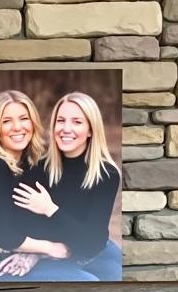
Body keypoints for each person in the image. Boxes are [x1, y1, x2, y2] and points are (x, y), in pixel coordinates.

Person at [14, 91, 122, 281]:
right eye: (61, 120)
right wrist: (37, 251)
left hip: (95, 252)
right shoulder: (37, 169)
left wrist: (49, 209)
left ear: (91, 129)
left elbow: (92, 242)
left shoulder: (107, 174)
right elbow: (23, 225)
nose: (66, 128)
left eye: (77, 122)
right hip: (52, 252)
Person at [0, 90, 64, 282]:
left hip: (29, 254)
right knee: (87, 280)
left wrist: (34, 255)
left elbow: (48, 220)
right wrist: (50, 248)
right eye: (6, 121)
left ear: (33, 122)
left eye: (23, 118)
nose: (17, 127)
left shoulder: (34, 163)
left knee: (109, 260)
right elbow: (2, 234)